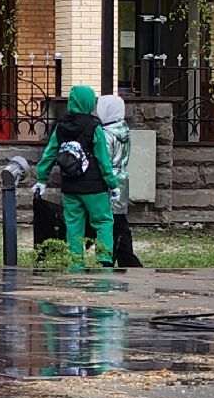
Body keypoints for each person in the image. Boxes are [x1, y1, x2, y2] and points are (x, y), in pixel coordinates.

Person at [34, 85, 120, 271]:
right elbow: (103, 159)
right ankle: (104, 261)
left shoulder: (61, 127)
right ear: (89, 102)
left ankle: (75, 264)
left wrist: (42, 179)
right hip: (95, 188)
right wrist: (112, 184)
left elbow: (49, 154)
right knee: (104, 221)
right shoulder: (94, 126)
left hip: (70, 186)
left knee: (74, 226)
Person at [96, 92, 145, 268]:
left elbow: (104, 160)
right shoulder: (123, 129)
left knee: (110, 222)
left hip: (109, 181)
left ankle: (119, 258)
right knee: (119, 220)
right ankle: (124, 257)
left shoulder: (105, 134)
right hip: (123, 178)